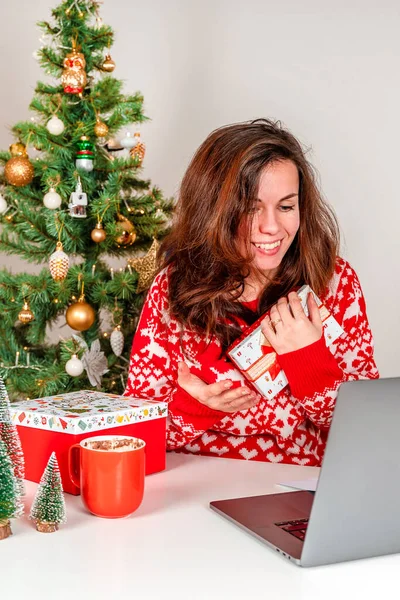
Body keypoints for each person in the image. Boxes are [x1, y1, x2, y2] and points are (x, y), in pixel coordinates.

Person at [124, 118, 379, 466]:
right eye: (249, 208)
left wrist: (308, 360)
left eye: (286, 206)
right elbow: (134, 440)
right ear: (213, 210)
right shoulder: (172, 290)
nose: (271, 227)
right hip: (193, 485)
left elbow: (366, 433)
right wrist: (197, 405)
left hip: (300, 489)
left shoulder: (335, 284)